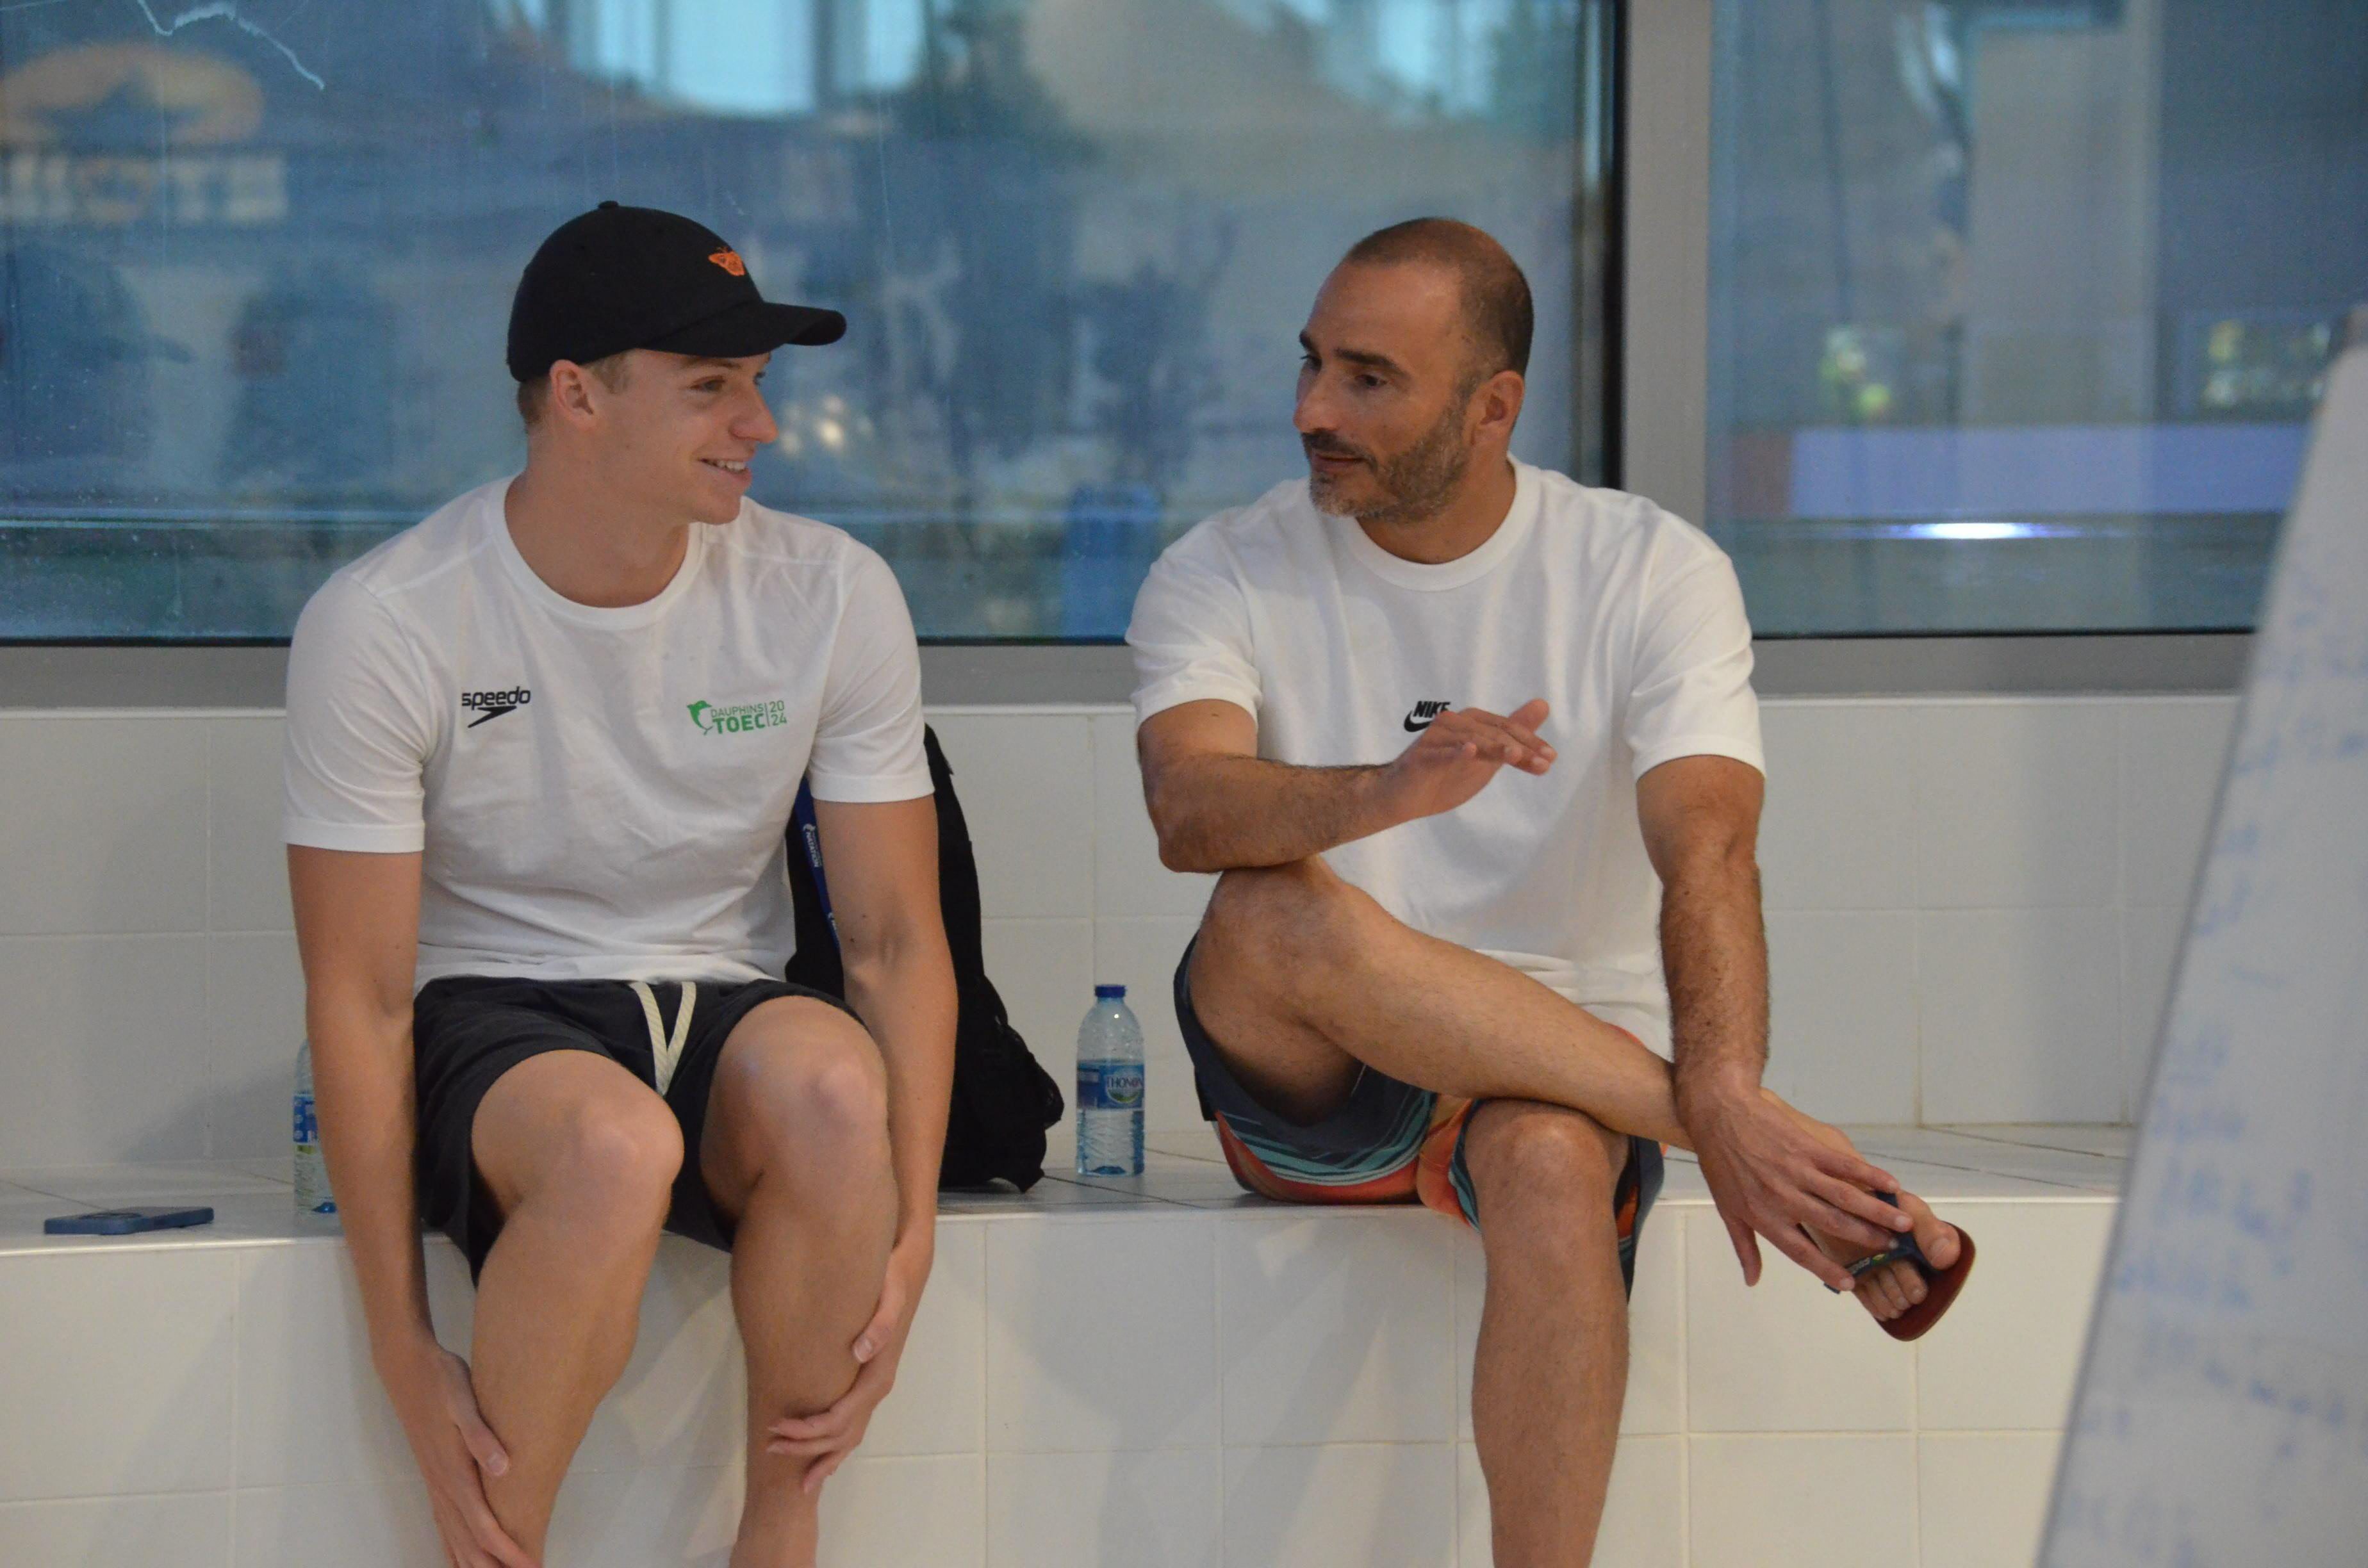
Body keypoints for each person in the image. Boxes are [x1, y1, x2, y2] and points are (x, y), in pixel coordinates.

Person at [1127, 218, 1970, 1566]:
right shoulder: (1222, 566)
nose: (1312, 411)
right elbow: (1190, 811)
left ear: (1493, 407)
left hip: (1549, 1083)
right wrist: (1383, 794)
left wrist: (1727, 1057)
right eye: (1311, 366)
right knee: (1265, 909)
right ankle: (1726, 1129)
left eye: (1368, 379)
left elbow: (1709, 848)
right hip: (1318, 1081)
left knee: (1548, 1161)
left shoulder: (1650, 569)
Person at [283, 202, 955, 1568]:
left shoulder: (831, 590)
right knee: (613, 1148)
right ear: (577, 396)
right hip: (500, 1018)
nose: (757, 426)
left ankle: (777, 1540)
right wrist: (404, 1347)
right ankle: (498, 1550)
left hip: (725, 1002)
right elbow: (356, 1000)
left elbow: (892, 943)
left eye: (759, 386)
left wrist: (916, 1228)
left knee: (836, 1089)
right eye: (711, 389)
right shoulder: (392, 618)